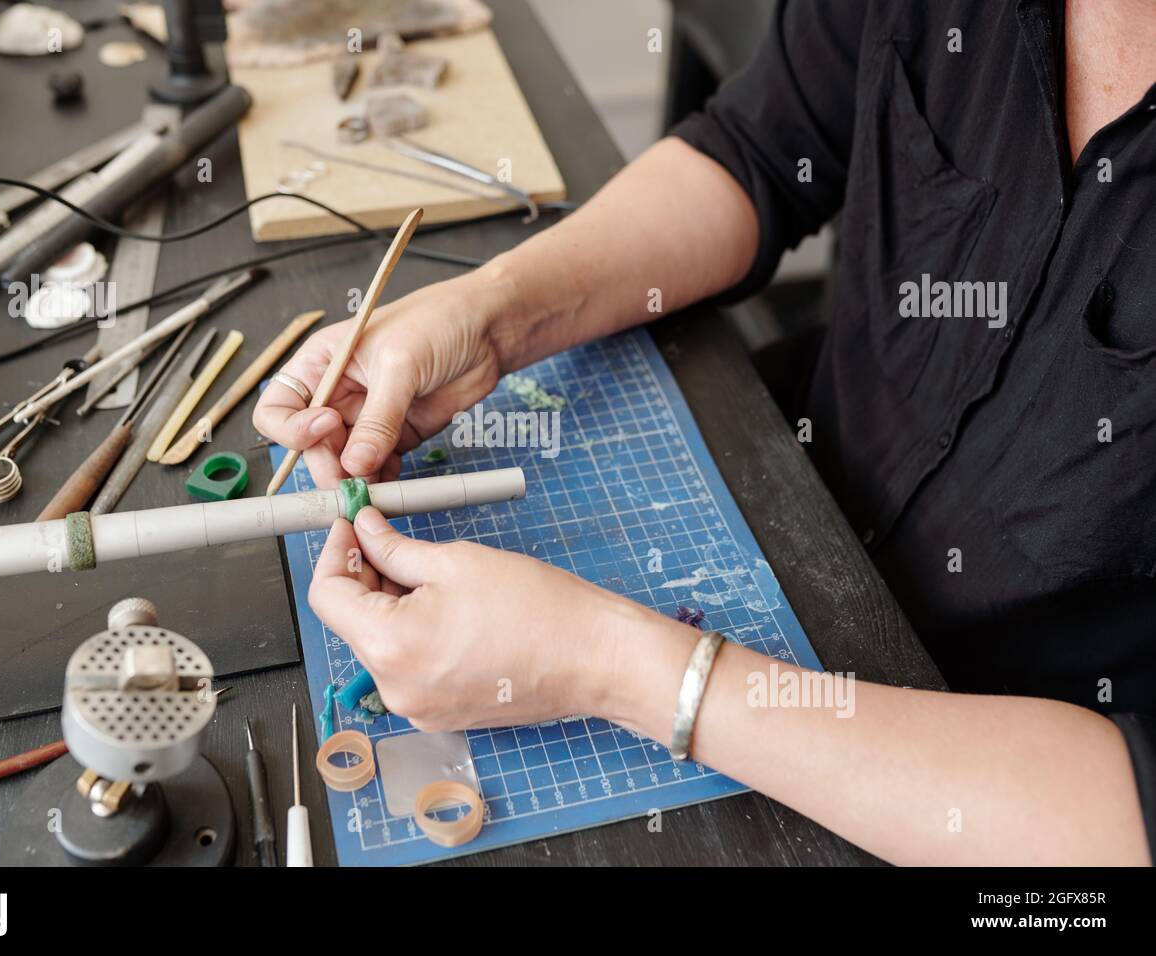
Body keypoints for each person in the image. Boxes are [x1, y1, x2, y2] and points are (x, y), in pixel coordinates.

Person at [253, 0, 1156, 865]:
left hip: (988, 766)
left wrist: (602, 663)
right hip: (797, 488)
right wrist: (486, 319)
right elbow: (758, 152)